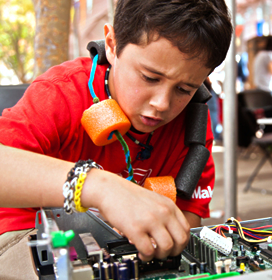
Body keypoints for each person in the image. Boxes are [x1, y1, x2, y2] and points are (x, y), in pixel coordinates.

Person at [0, 0, 232, 278]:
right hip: (27, 233)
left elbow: (186, 219)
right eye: (149, 77)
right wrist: (99, 186)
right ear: (112, 44)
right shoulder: (60, 94)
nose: (161, 103)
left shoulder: (193, 128)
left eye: (184, 89)